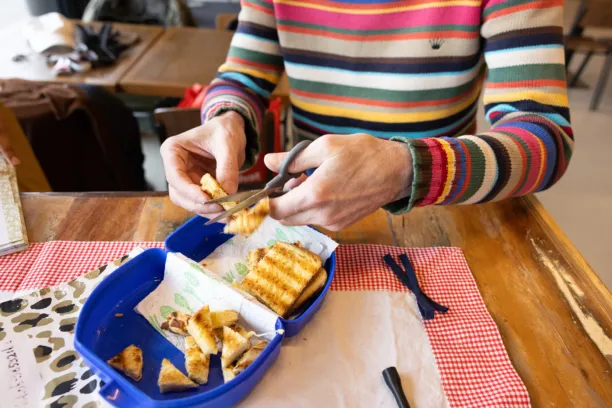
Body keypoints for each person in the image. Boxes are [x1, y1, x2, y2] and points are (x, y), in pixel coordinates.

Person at [161, 0, 573, 231]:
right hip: (307, 212)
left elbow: (546, 136)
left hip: (441, 220)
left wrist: (404, 170)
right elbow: (243, 75)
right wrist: (225, 117)